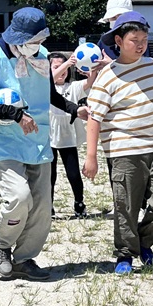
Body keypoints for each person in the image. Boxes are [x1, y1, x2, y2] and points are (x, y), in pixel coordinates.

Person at [0, 7, 88, 281]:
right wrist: (15, 114)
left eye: (40, 40)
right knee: (19, 198)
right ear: (18, 37)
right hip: (6, 142)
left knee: (42, 207)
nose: (38, 46)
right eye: (33, 41)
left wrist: (73, 108)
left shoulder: (43, 57)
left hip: (38, 141)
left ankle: (24, 258)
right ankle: (2, 246)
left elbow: (48, 95)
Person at [83, 12, 153, 275]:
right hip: (122, 151)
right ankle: (125, 254)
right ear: (118, 40)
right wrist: (90, 156)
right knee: (125, 206)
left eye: (144, 38)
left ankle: (143, 242)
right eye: (134, 39)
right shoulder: (108, 76)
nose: (141, 44)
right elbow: (94, 118)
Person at [49, 51, 100, 218]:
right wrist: (67, 63)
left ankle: (79, 203)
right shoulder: (44, 87)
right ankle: (48, 206)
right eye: (56, 67)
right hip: (49, 135)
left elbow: (91, 81)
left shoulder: (73, 87)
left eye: (65, 68)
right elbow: (49, 78)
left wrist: (92, 69)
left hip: (68, 135)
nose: (62, 71)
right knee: (50, 175)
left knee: (73, 173)